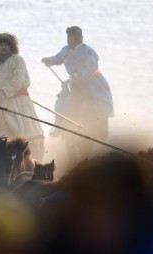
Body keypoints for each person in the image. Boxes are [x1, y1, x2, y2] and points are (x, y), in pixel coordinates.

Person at [41, 26, 114, 166]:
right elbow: (57, 59)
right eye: (69, 37)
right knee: (61, 101)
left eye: (73, 37)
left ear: (80, 37)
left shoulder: (88, 51)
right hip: (73, 83)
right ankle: (59, 126)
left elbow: (92, 68)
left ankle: (102, 128)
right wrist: (49, 60)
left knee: (102, 100)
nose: (71, 39)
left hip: (90, 81)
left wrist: (80, 76)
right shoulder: (65, 50)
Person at [0, 32, 45, 160]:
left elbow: (18, 81)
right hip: (1, 103)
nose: (3, 48)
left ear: (11, 46)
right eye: (1, 45)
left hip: (19, 103)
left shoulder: (17, 60)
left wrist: (3, 92)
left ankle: (31, 160)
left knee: (25, 132)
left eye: (6, 45)